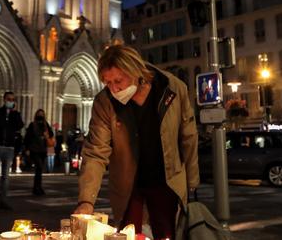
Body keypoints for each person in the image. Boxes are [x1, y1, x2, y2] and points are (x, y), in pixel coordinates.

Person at [74, 44, 198, 240]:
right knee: (129, 235)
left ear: (135, 72)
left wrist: (192, 185)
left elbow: (188, 138)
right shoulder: (104, 102)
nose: (114, 89)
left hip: (166, 182)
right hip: (128, 187)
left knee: (166, 234)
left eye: (118, 81)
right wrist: (86, 200)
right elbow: (95, 152)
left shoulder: (171, 88)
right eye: (107, 83)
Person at [23, 109, 54, 196]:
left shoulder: (45, 125)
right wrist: (27, 149)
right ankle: (37, 187)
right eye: (39, 114)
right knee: (39, 167)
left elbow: (51, 134)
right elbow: (27, 137)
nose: (40, 116)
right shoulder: (32, 125)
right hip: (34, 149)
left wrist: (46, 135)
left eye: (42, 114)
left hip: (42, 150)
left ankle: (37, 187)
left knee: (39, 169)